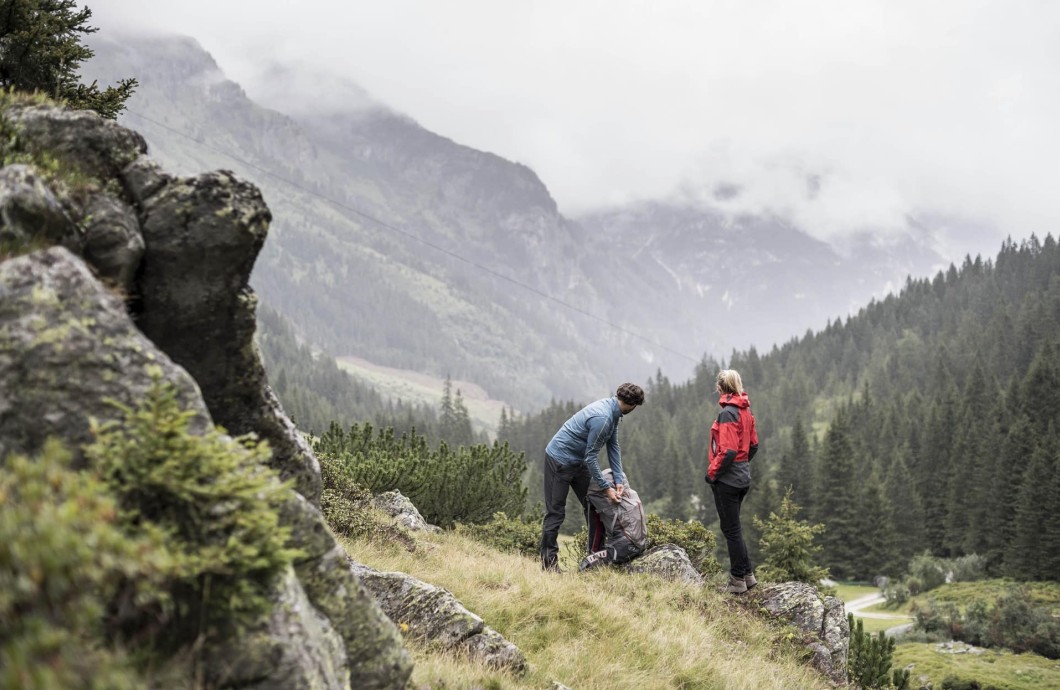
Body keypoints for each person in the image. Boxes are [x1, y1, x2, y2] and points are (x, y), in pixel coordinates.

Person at [539, 382, 645, 572]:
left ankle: (595, 559)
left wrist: (618, 480)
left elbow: (613, 447)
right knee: (555, 512)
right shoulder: (603, 418)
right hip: (559, 460)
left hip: (577, 461)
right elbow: (591, 456)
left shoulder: (614, 413)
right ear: (632, 405)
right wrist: (606, 487)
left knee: (594, 506)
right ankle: (549, 566)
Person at [705, 369, 759, 593]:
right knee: (734, 527)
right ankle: (748, 575)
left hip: (728, 480)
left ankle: (737, 580)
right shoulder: (746, 411)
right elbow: (753, 445)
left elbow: (726, 451)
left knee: (731, 529)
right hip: (742, 477)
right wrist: (742, 463)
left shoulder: (728, 413)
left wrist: (712, 473)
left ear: (720, 388)